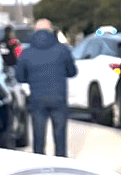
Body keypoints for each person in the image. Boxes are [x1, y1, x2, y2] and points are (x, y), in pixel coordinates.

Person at [13, 19, 76, 157]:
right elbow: (72, 72)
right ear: (51, 30)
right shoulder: (62, 50)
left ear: (35, 31)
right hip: (58, 97)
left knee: (38, 134)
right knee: (60, 134)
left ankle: (40, 163)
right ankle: (61, 162)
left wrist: (32, 79)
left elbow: (19, 76)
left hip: (37, 98)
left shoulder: (27, 52)